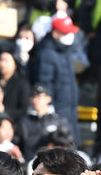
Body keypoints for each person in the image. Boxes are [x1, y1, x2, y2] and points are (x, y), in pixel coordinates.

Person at [35, 14, 81, 144]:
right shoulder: (47, 53)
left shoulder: (65, 51)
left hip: (70, 107)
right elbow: (45, 82)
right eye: (65, 33)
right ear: (55, 34)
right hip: (58, 109)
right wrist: (50, 106)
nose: (70, 36)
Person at [17, 84, 71, 162]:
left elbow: (69, 144)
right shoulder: (24, 122)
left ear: (48, 98)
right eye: (33, 96)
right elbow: (19, 146)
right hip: (31, 163)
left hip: (56, 162)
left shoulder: (60, 121)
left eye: (39, 96)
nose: (35, 100)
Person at [0, 48, 30, 123]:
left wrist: (5, 111)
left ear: (15, 64)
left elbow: (24, 110)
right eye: (0, 60)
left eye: (6, 61)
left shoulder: (22, 84)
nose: (2, 64)